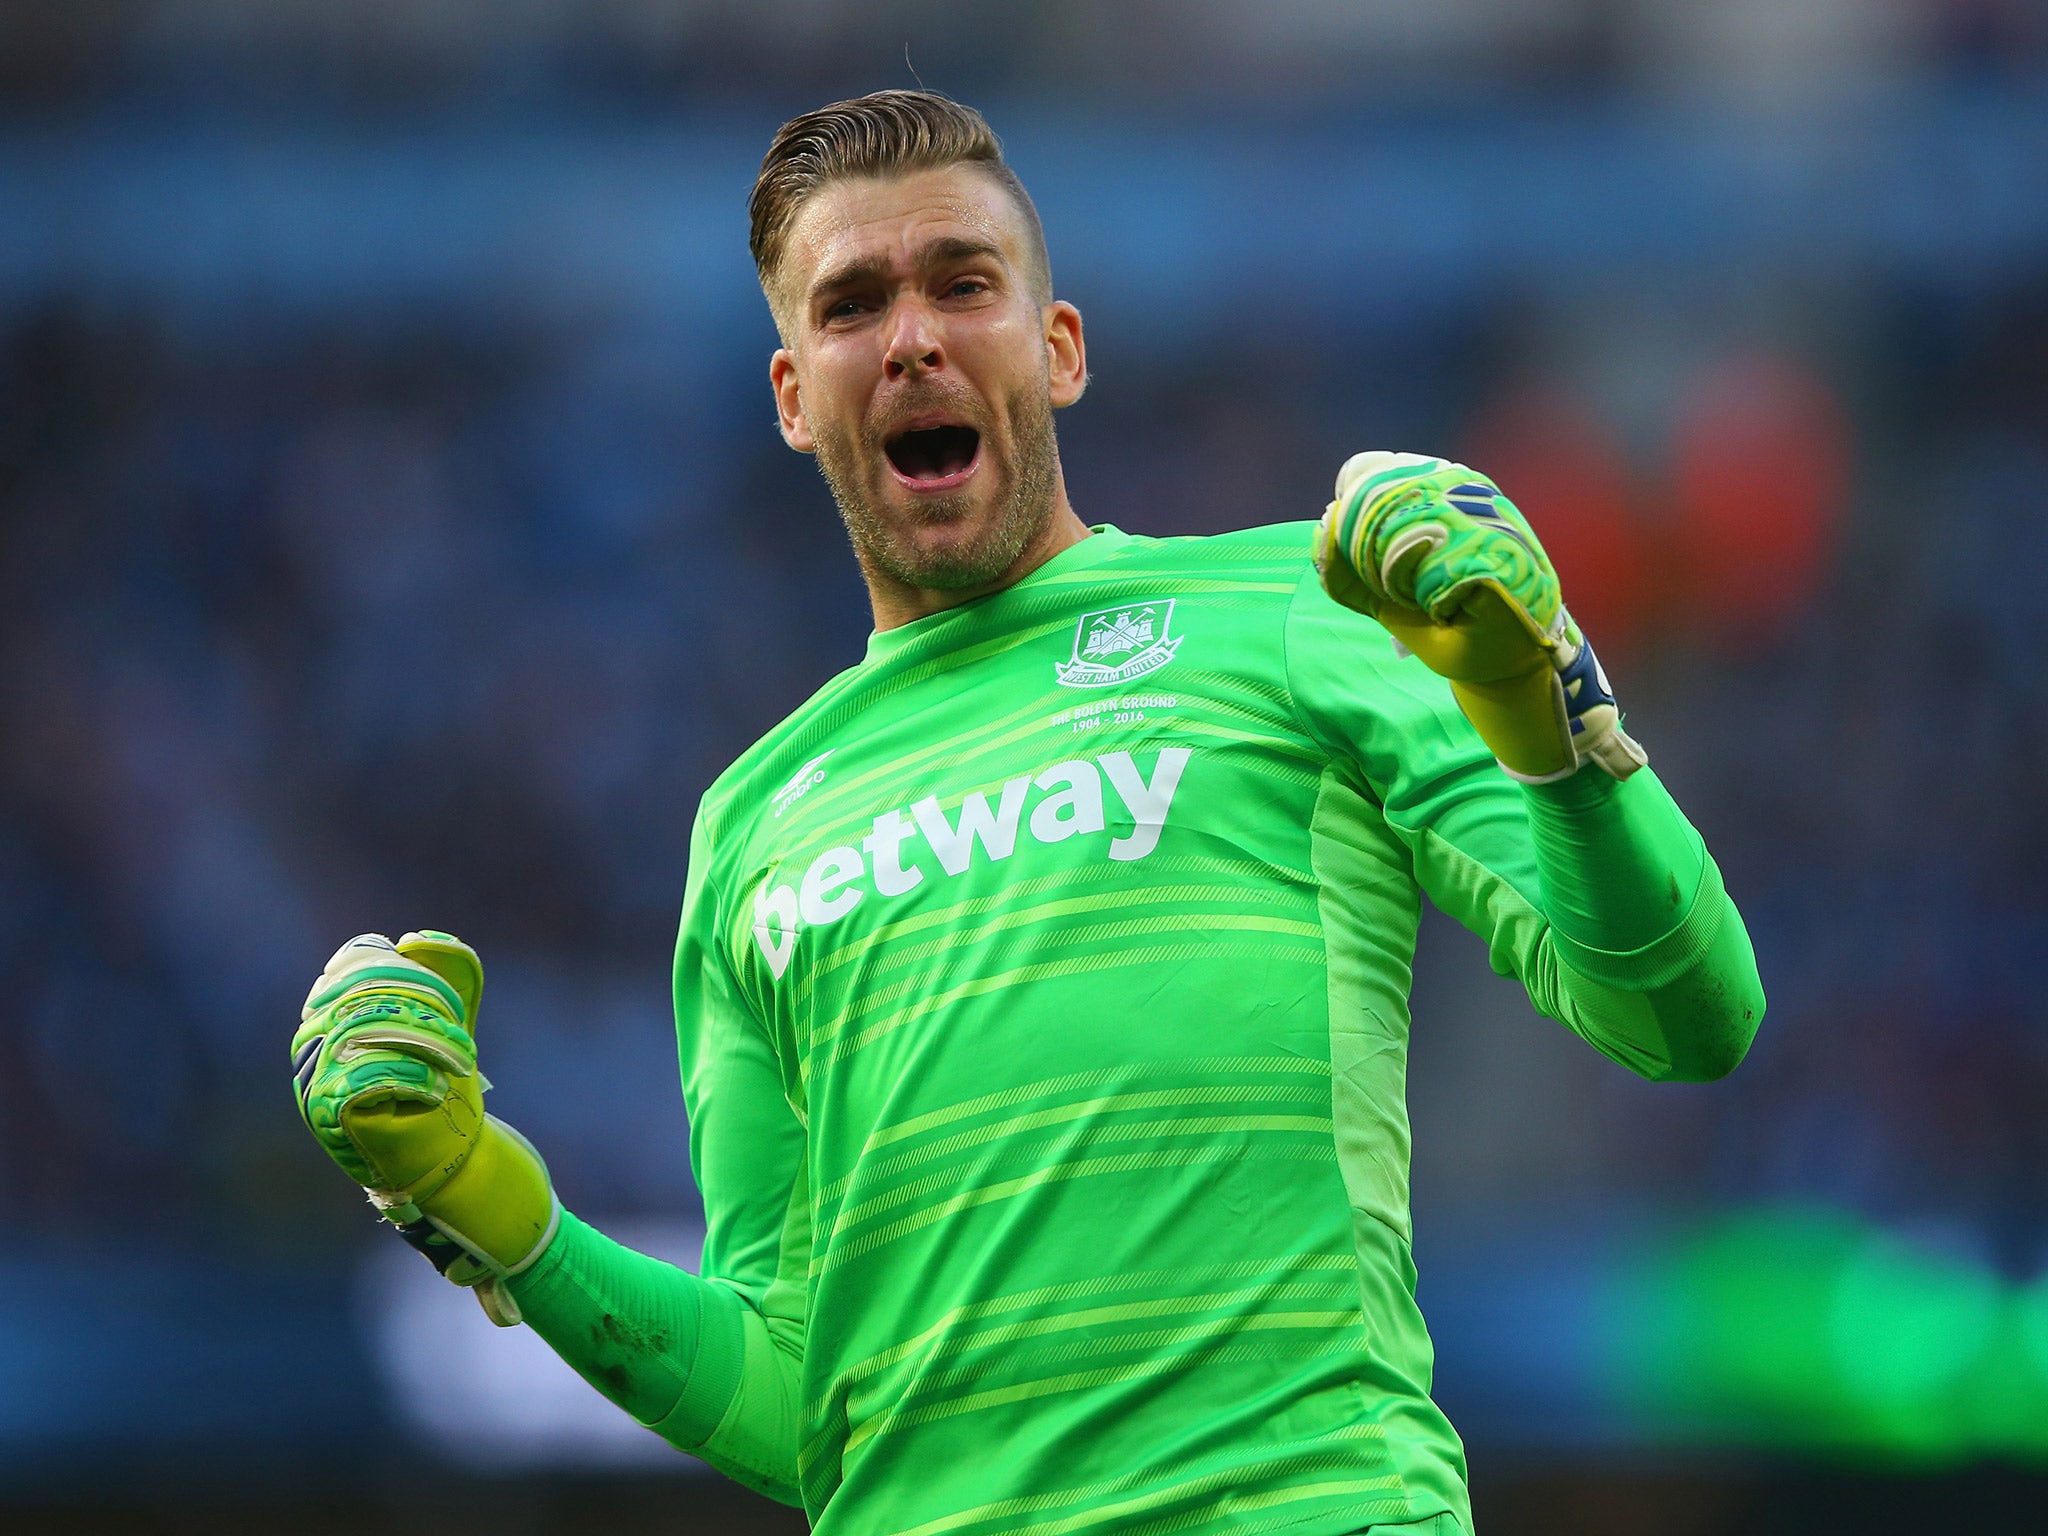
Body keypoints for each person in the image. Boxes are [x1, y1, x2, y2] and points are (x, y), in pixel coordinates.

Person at [292, 90, 1763, 1536]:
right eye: (853, 303)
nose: (914, 334)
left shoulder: (1302, 610)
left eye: (963, 284)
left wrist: (1548, 726)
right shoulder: (749, 825)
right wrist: (487, 1208)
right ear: (797, 395)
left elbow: (1690, 1019)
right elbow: (798, 1398)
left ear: (1055, 349)